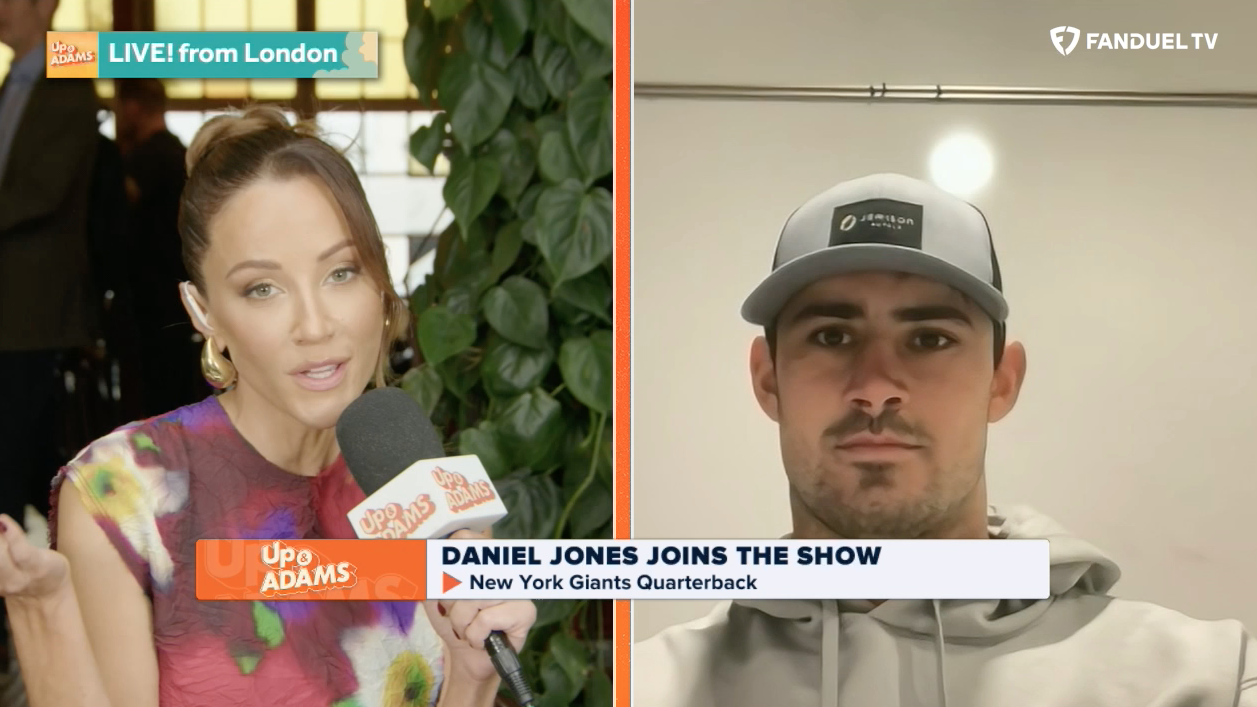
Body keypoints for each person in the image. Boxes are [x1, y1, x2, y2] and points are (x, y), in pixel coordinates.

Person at [632, 173, 1257, 706]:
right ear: (768, 381)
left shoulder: (1207, 680)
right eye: (830, 336)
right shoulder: (651, 687)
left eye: (930, 338)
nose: (875, 388)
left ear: (1001, 382)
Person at [0, 105, 536, 707]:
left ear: (381, 283)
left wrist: (471, 677)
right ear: (205, 312)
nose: (315, 325)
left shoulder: (427, 494)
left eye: (341, 272)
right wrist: (42, 615)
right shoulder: (121, 496)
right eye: (263, 288)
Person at [0, 0, 102, 676]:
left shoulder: (72, 73)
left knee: (15, 453)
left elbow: (42, 187)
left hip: (31, 309)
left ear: (44, 6)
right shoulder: (9, 83)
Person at [113, 77, 203, 418]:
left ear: (132, 107)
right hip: (180, 290)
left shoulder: (150, 156)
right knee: (175, 387)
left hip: (151, 295)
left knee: (155, 392)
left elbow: (121, 204)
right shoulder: (179, 153)